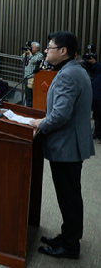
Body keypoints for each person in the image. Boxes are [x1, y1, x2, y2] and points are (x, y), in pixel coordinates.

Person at [29, 32, 95, 260]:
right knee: (70, 195)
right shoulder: (76, 70)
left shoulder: (68, 75)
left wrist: (40, 123)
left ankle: (70, 245)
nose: (46, 51)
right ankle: (68, 236)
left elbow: (60, 115)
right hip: (71, 144)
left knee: (69, 196)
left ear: (63, 51)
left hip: (66, 146)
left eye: (49, 47)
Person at [22, 42, 45, 107]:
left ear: (38, 48)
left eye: (33, 47)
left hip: (33, 78)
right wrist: (25, 53)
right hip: (27, 77)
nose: (31, 49)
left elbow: (34, 61)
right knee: (27, 95)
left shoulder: (40, 55)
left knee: (32, 96)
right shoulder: (29, 54)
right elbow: (22, 60)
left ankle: (31, 108)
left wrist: (30, 54)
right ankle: (28, 107)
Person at [84, 55, 101, 142]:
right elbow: (90, 70)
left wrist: (94, 63)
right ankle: (97, 133)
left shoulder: (98, 66)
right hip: (96, 93)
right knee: (96, 115)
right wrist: (88, 62)